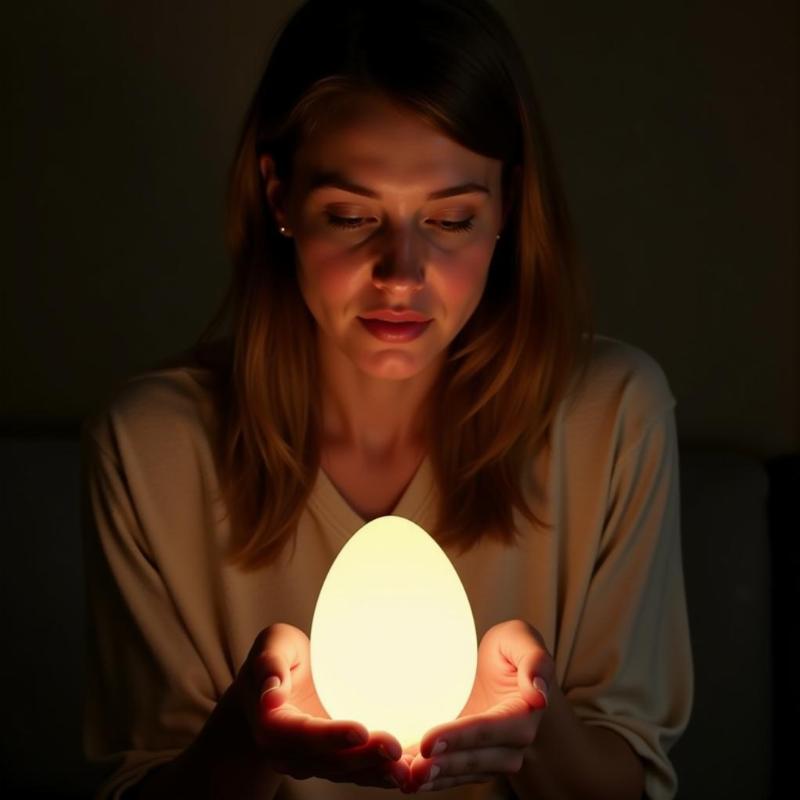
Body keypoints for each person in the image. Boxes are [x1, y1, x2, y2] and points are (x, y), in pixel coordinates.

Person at [80, 0, 693, 798]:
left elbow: (629, 781)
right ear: (279, 197)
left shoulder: (610, 422)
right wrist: (244, 740)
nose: (401, 272)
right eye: (351, 215)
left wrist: (537, 727)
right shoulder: (154, 451)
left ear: (506, 204)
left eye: (450, 218)